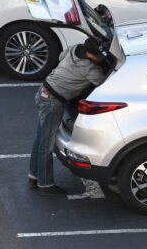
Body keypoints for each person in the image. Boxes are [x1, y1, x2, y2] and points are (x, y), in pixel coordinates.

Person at [29, 37, 109, 196]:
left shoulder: (74, 48)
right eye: (97, 55)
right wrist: (101, 70)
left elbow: (61, 57)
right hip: (53, 103)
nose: (100, 58)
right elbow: (104, 84)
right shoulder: (89, 69)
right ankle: (45, 185)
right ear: (89, 53)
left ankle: (34, 176)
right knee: (46, 144)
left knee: (40, 139)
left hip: (43, 92)